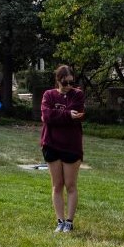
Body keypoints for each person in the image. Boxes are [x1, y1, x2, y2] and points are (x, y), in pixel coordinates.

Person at [40, 64, 85, 233]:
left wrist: (59, 115)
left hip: (71, 146)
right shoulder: (48, 95)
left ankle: (69, 222)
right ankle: (59, 221)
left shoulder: (78, 94)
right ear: (58, 80)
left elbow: (76, 113)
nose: (68, 86)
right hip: (51, 143)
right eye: (64, 83)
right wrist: (67, 115)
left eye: (70, 82)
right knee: (57, 185)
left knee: (71, 185)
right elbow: (46, 116)